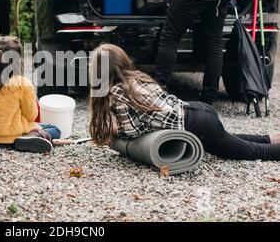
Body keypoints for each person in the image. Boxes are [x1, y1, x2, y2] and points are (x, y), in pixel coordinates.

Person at [89, 44, 280, 161]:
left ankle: (271, 146)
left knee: (252, 152)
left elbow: (134, 131)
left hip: (197, 124)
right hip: (195, 110)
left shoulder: (117, 93)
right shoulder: (137, 78)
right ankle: (271, 137)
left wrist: (116, 131)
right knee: (227, 140)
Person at [0, 36, 61, 153]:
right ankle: (31, 137)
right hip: (10, 135)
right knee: (55, 129)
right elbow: (31, 116)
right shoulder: (22, 83)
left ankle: (29, 137)